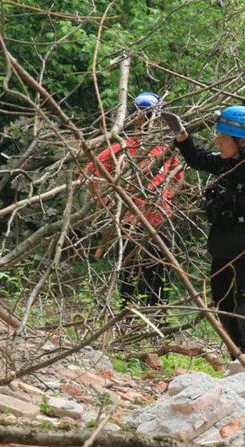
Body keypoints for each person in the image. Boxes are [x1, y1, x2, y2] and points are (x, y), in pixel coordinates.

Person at [160, 106, 245, 354]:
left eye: (223, 137)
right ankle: (239, 375)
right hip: (222, 256)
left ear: (241, 141)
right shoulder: (225, 165)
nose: (217, 141)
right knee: (226, 319)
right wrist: (182, 135)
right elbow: (197, 158)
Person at [85, 91, 183, 306]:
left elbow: (177, 177)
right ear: (135, 117)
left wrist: (165, 198)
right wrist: (107, 204)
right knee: (129, 274)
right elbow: (92, 173)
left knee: (160, 272)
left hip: (160, 221)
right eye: (144, 116)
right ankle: (127, 317)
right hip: (131, 222)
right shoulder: (123, 148)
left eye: (151, 116)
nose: (147, 121)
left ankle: (157, 317)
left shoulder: (166, 150)